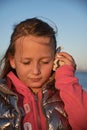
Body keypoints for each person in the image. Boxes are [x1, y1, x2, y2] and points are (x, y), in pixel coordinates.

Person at [0, 17, 87, 130]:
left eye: (45, 62)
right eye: (26, 62)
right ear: (12, 61)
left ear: (56, 58)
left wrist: (66, 76)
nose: (36, 71)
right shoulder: (2, 96)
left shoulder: (64, 93)